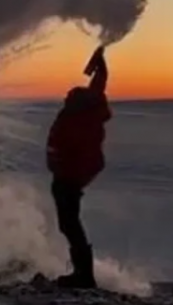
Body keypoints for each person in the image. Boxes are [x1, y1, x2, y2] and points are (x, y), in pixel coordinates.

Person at [45, 46, 113, 289]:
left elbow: (77, 151)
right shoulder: (86, 110)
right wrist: (100, 62)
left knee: (69, 223)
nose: (66, 98)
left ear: (79, 103)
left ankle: (84, 276)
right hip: (70, 174)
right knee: (69, 223)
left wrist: (63, 171)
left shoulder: (81, 120)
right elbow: (99, 84)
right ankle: (83, 274)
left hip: (70, 177)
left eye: (71, 97)